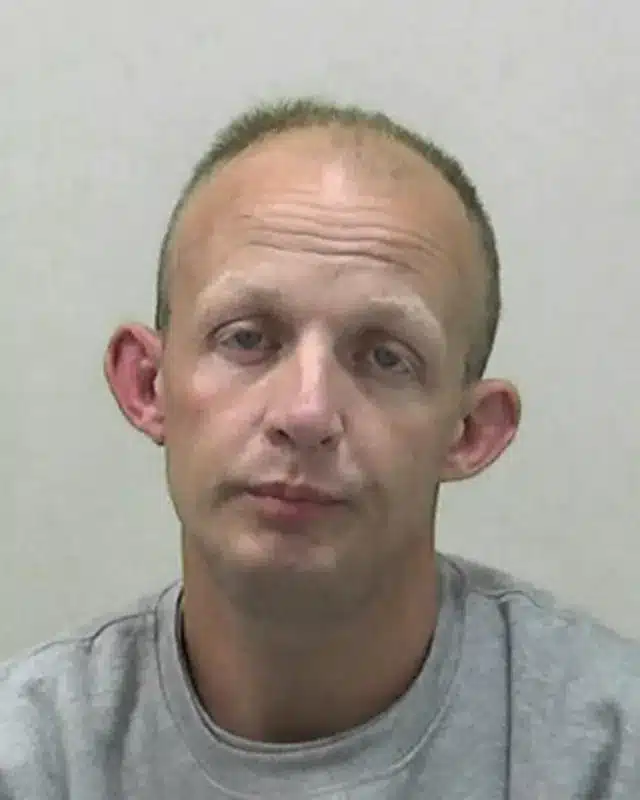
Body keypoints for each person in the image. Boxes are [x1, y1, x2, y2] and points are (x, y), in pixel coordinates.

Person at [1, 97, 639, 800]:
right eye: (247, 338)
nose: (306, 413)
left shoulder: (607, 756)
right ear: (148, 385)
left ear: (469, 432)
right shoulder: (33, 757)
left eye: (386, 358)